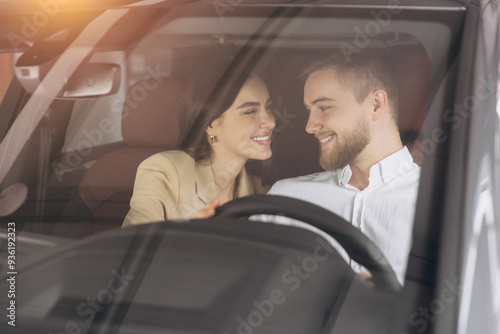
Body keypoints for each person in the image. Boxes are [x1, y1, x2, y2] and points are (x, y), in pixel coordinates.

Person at [262, 53, 420, 286]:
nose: (309, 126)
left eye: (324, 107)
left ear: (376, 105)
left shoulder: (443, 205)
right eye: (309, 110)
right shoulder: (285, 198)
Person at [122, 60, 275, 227]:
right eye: (250, 111)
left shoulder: (262, 191)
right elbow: (132, 246)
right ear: (211, 124)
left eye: (268, 107)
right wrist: (186, 237)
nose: (270, 121)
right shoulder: (166, 172)